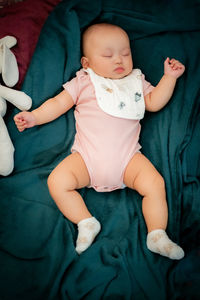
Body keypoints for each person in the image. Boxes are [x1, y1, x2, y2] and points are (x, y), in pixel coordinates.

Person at [14, 23, 185, 259]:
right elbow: (57, 104)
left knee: (155, 184)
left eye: (125, 53)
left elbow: (154, 102)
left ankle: (157, 234)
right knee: (57, 181)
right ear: (86, 63)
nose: (119, 60)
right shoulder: (84, 81)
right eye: (108, 55)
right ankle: (85, 221)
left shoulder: (135, 82)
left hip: (129, 161)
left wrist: (169, 78)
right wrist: (34, 117)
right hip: (86, 160)